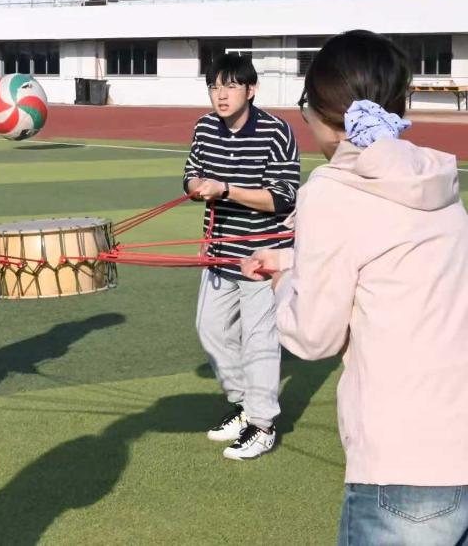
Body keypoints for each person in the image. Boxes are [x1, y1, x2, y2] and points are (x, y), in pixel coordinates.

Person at [242, 30, 468, 544]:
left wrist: (283, 281)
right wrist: (291, 259)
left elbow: (312, 336)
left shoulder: (332, 190)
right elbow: (393, 259)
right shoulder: (434, 178)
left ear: (323, 112)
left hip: (403, 464)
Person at [183, 52, 300, 460]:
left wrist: (226, 190)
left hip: (262, 257)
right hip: (218, 253)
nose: (221, 94)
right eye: (214, 86)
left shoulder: (276, 131)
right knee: (210, 331)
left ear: (251, 90)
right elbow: (190, 173)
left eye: (230, 86)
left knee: (258, 341)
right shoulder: (204, 127)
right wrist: (197, 186)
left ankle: (262, 424)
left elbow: (283, 198)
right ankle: (243, 404)